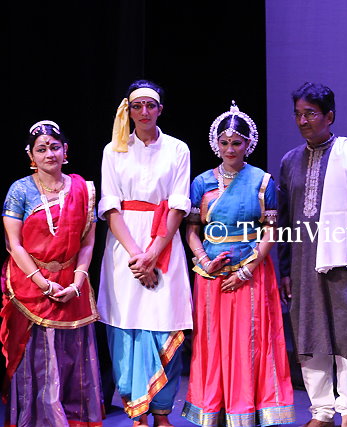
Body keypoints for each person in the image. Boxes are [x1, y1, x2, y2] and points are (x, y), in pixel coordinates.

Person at [181, 101, 295, 426]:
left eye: (237, 143)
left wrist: (247, 269)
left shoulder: (262, 181)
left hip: (251, 271)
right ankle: (214, 408)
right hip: (211, 273)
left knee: (249, 341)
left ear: (248, 144)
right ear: (215, 143)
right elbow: (192, 230)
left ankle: (248, 410)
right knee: (213, 341)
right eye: (225, 142)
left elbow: (271, 231)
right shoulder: (202, 182)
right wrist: (205, 260)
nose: (230, 149)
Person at [278, 82, 347, 427]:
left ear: (329, 116)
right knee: (308, 332)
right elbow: (286, 221)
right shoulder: (290, 162)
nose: (302, 121)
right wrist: (285, 269)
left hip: (345, 260)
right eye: (298, 114)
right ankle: (321, 411)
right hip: (303, 262)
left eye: (310, 113)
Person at [98, 80, 193, 426]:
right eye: (137, 106)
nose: (144, 112)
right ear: (129, 110)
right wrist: (138, 256)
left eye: (150, 105)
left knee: (164, 324)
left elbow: (179, 205)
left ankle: (162, 413)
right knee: (126, 326)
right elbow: (110, 206)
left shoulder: (177, 149)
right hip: (124, 248)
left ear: (160, 110)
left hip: (164, 243)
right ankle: (136, 412)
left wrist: (153, 254)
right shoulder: (114, 150)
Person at [1, 120, 103, 426]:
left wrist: (77, 283)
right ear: (31, 155)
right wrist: (43, 284)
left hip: (71, 282)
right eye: (41, 149)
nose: (49, 154)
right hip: (30, 283)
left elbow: (88, 244)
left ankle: (71, 419)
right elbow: (14, 244)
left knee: (73, 357)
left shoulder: (82, 190)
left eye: (55, 147)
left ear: (65, 150)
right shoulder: (20, 190)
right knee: (35, 359)